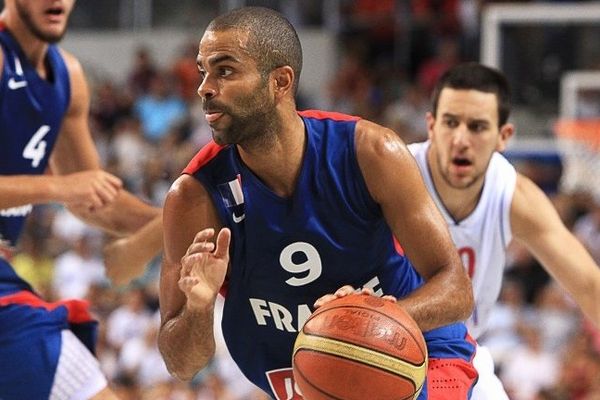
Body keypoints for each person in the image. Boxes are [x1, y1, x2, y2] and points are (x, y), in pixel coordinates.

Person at [159, 7, 478, 400]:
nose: (204, 87)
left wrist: (362, 324)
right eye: (202, 71)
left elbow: (456, 289)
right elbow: (182, 364)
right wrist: (198, 306)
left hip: (414, 356)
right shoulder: (194, 197)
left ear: (280, 81)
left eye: (224, 71)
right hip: (303, 382)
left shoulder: (370, 152)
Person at [407, 62, 600, 400]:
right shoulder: (396, 174)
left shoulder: (513, 195)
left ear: (504, 136)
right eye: (451, 123)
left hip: (460, 354)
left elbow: (588, 285)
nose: (461, 139)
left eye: (477, 126)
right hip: (383, 348)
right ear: (431, 126)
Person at [0, 1, 161, 398]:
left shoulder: (67, 76)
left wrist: (186, 216)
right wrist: (57, 187)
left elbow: (95, 199)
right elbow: (73, 188)